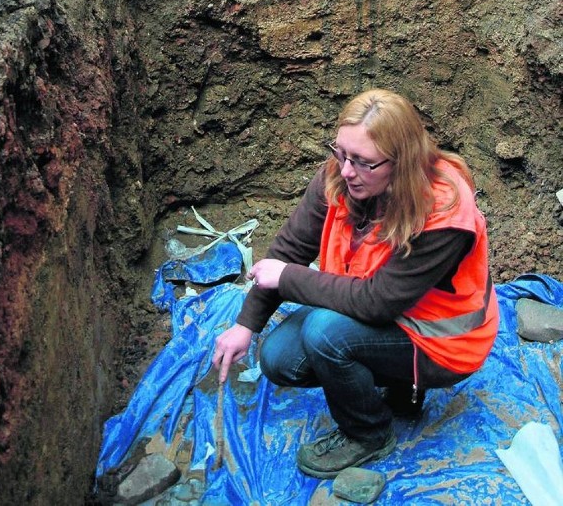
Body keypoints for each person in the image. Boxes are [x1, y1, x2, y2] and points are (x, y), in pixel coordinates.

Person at [213, 88, 499, 479]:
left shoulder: (444, 211)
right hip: (380, 310)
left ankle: (369, 433)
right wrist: (246, 325)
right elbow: (291, 247)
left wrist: (290, 279)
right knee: (278, 358)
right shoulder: (342, 173)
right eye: (341, 153)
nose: (346, 170)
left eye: (363, 162)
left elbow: (375, 303)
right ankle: (399, 389)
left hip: (442, 343)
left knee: (325, 333)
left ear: (401, 162)